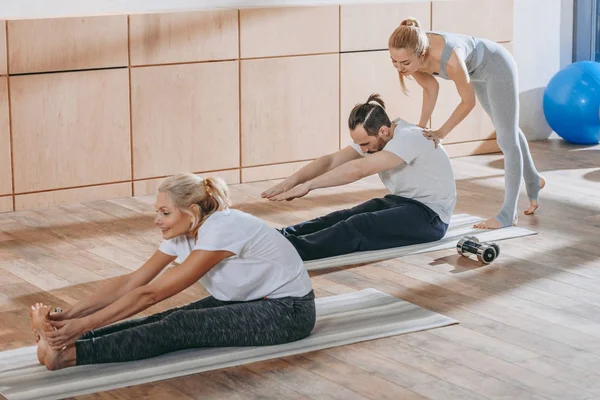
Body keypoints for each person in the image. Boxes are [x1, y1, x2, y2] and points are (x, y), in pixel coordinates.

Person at [30, 173, 315, 371]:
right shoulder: (184, 230)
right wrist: (69, 317)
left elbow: (150, 294)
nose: (158, 220)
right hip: (249, 300)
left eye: (165, 213)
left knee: (179, 325)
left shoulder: (222, 228)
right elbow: (132, 282)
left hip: (288, 312)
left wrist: (84, 324)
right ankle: (68, 343)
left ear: (191, 210)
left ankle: (68, 356)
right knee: (166, 318)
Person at [387, 17, 545, 229]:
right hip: (477, 72)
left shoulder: (450, 59)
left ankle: (508, 214)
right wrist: (421, 127)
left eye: (404, 63)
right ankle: (534, 180)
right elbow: (431, 89)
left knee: (506, 138)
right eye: (394, 62)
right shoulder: (410, 54)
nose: (400, 68)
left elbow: (467, 102)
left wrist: (441, 132)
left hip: (497, 66)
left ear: (421, 54)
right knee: (507, 128)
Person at [261, 94, 456, 262]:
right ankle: (279, 237)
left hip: (431, 218)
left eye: (365, 144)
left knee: (358, 225)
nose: (363, 149)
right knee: (343, 216)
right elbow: (330, 161)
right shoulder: (378, 136)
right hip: (402, 203)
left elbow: (359, 169)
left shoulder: (410, 137)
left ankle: (286, 251)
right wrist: (292, 181)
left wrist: (309, 186)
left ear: (383, 131)